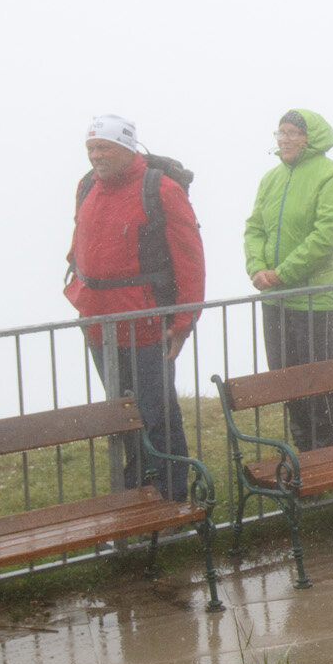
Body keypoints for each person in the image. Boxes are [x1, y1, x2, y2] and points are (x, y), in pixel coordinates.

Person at [66, 115, 205, 501]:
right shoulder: (86, 186)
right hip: (98, 323)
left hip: (146, 325)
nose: (96, 155)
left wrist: (183, 321)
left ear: (127, 148)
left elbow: (189, 259)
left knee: (155, 411)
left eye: (104, 148)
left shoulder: (160, 190)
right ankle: (138, 491)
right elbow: (81, 240)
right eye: (91, 148)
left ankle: (171, 495)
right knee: (122, 412)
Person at [243, 108, 333, 450]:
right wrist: (257, 268)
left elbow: (327, 236)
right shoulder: (271, 179)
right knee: (288, 385)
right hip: (276, 302)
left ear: (312, 137)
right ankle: (305, 460)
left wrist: (281, 274)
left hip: (315, 301)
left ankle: (329, 462)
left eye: (293, 133)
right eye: (281, 133)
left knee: (319, 388)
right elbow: (254, 228)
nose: (285, 140)